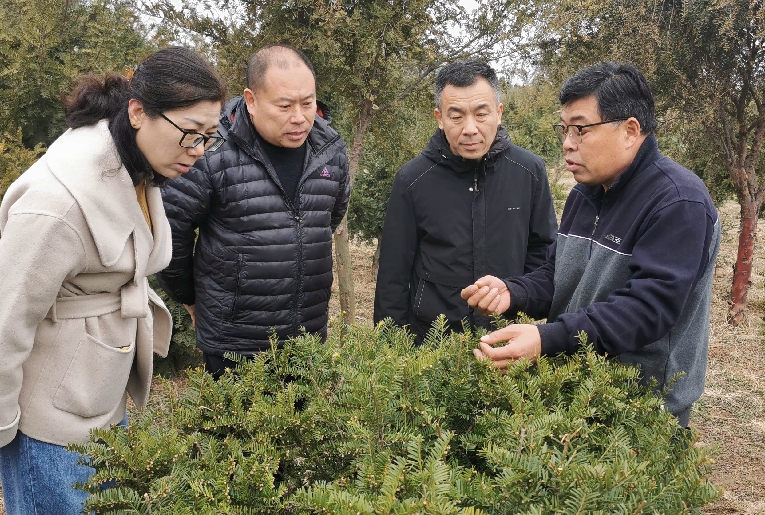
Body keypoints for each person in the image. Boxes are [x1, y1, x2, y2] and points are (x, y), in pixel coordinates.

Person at [0, 47, 227, 514]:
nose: (199, 152)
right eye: (190, 135)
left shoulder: (135, 165)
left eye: (210, 137)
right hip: (50, 420)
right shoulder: (58, 204)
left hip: (98, 390)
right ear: (138, 112)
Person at [462, 62, 721, 427]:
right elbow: (559, 272)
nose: (567, 143)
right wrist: (513, 292)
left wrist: (547, 338)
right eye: (564, 129)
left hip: (639, 409)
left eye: (581, 129)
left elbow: (647, 309)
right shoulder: (586, 194)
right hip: (576, 390)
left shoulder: (678, 202)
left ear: (630, 130)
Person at [156, 44, 350, 378]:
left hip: (306, 339)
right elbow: (170, 234)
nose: (300, 117)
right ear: (251, 100)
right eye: (285, 105)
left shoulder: (329, 149)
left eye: (308, 103)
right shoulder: (211, 151)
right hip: (235, 342)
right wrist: (191, 299)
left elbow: (328, 219)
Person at [373, 60, 557, 344]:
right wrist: (392, 349)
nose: (470, 128)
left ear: (498, 113)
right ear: (439, 117)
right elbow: (393, 276)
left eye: (481, 114)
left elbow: (543, 253)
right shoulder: (413, 180)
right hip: (433, 342)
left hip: (508, 337)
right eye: (456, 116)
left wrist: (519, 303)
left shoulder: (529, 171)